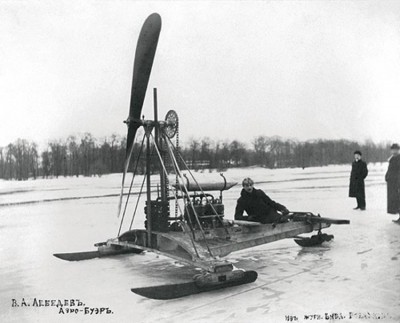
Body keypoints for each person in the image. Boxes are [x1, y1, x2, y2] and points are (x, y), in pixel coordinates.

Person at [385, 143, 400, 223]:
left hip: (397, 182)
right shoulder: (392, 158)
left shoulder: (399, 158)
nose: (394, 151)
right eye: (393, 149)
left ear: (398, 150)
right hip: (392, 183)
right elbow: (390, 170)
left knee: (398, 199)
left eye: (396, 149)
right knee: (395, 200)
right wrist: (387, 176)